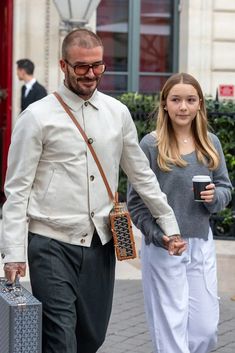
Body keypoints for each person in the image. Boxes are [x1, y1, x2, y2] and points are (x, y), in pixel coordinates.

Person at [1, 29, 186, 353]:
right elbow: (17, 190)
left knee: (92, 337)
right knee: (60, 337)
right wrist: (14, 251)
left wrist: (169, 226)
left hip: (101, 243)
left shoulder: (117, 114)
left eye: (97, 66)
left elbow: (141, 176)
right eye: (81, 67)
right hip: (50, 243)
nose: (90, 74)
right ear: (63, 64)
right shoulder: (36, 118)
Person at [127, 72, 233, 353]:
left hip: (200, 243)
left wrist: (214, 197)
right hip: (165, 247)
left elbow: (225, 188)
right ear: (164, 104)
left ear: (199, 104)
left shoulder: (210, 142)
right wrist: (158, 235)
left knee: (206, 328)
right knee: (170, 330)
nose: (182, 107)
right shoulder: (150, 145)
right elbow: (136, 202)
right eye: (176, 100)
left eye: (190, 100)